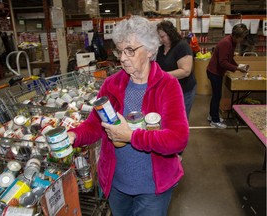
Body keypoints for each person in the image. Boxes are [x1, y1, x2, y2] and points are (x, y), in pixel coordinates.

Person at [68, 16, 189, 216]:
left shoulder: (167, 85)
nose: (123, 58)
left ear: (150, 50)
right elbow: (94, 125)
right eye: (120, 50)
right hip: (118, 185)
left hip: (153, 188)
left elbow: (178, 139)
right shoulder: (112, 84)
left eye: (130, 50)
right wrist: (73, 136)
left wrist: (131, 137)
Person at [206, 23, 249, 129]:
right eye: (241, 38)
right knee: (217, 96)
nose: (242, 40)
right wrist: (237, 69)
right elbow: (223, 63)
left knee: (216, 96)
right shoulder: (227, 43)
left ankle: (212, 116)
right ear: (236, 36)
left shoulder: (232, 42)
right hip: (214, 72)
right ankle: (214, 121)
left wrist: (238, 66)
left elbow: (229, 59)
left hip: (216, 72)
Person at [156, 20, 197, 119]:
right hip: (169, 90)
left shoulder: (182, 46)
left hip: (184, 89)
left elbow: (185, 71)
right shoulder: (161, 48)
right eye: (159, 37)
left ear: (171, 34)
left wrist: (162, 75)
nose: (161, 40)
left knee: (181, 118)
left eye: (163, 37)